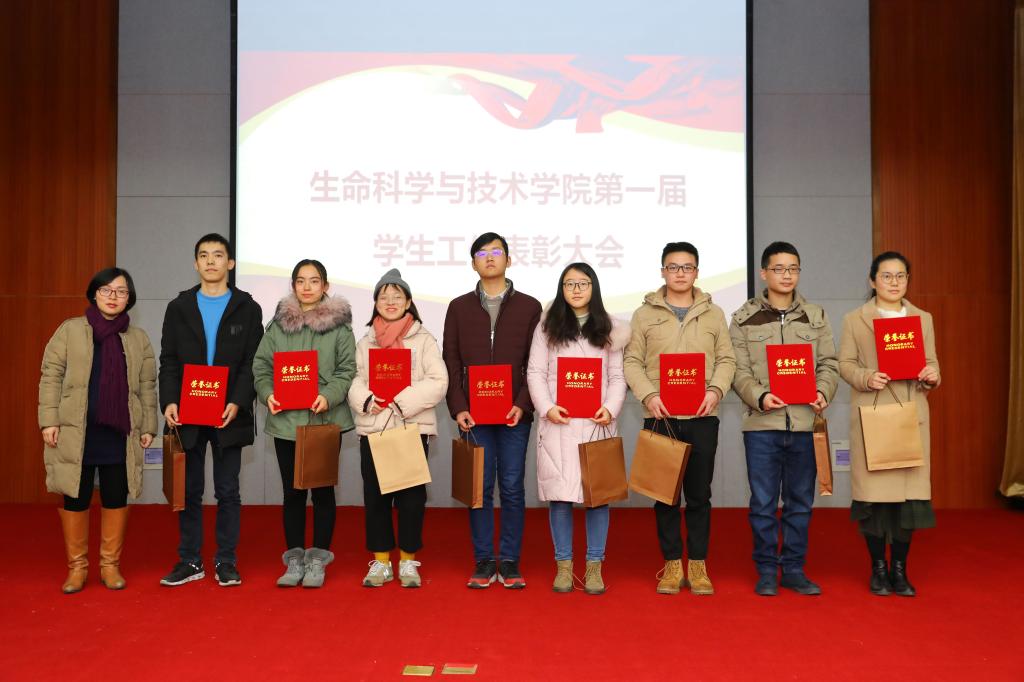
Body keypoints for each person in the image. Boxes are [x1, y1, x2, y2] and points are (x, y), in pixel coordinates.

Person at [623, 242, 736, 595]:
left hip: (703, 416)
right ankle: (672, 564)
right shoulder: (644, 314)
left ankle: (698, 565)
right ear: (663, 272)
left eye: (687, 267)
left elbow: (727, 359)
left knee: (699, 496)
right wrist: (649, 395)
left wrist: (715, 390)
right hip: (661, 417)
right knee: (665, 497)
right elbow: (631, 361)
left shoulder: (714, 313)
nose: (680, 273)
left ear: (697, 272)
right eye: (673, 267)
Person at [38, 268, 158, 593]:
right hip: (76, 431)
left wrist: (148, 425)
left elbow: (147, 386)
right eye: (106, 290)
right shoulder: (70, 330)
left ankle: (110, 566)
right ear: (94, 294)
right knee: (75, 498)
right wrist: (49, 420)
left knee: (116, 496)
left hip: (119, 433)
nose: (113, 296)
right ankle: (77, 568)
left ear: (129, 298)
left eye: (121, 291)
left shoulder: (138, 338)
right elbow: (50, 376)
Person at [730, 241, 839, 596]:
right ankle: (765, 570)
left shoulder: (815, 315)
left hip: (806, 424)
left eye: (793, 268)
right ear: (764, 273)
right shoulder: (743, 317)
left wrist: (823, 391)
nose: (787, 275)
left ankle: (793, 568)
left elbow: (829, 364)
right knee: (762, 504)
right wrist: (760, 397)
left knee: (800, 502)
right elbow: (738, 371)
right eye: (779, 269)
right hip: (762, 426)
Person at [158, 233, 264, 587]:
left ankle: (226, 560)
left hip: (228, 412)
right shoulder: (179, 307)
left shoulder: (248, 308)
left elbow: (252, 362)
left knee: (227, 490)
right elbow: (169, 360)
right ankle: (190, 560)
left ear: (230, 263)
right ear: (195, 263)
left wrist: (237, 401)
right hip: (187, 411)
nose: (210, 261)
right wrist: (169, 400)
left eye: (218, 255)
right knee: (188, 490)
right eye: (203, 255)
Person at [442, 232, 542, 589]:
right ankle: (484, 560)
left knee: (512, 487)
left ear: (508, 260)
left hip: (515, 413)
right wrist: (458, 407)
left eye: (496, 251)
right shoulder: (459, 307)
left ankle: (510, 560)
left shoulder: (530, 307)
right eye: (482, 253)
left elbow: (536, 362)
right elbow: (451, 361)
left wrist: (522, 404)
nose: (489, 257)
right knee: (479, 488)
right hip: (473, 416)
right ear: (473, 264)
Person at [838, 251, 939, 597]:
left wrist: (931, 375)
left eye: (901, 276)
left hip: (910, 417)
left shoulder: (922, 319)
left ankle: (900, 569)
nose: (894, 283)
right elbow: (845, 364)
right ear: (872, 280)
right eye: (886, 276)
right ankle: (878, 569)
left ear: (907, 280)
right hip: (873, 416)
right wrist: (866, 376)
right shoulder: (855, 319)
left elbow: (932, 363)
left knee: (908, 501)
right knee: (875, 501)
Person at [526, 262, 628, 595]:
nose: (576, 290)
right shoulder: (547, 326)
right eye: (569, 284)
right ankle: (564, 566)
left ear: (593, 287)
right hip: (560, 422)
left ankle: (595, 566)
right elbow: (535, 373)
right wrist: (547, 407)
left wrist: (610, 408)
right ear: (561, 289)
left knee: (598, 497)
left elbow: (617, 376)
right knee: (560, 497)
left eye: (583, 283)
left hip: (597, 423)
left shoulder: (611, 328)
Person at [252, 259, 355, 588]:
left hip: (324, 419)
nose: (307, 287)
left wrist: (328, 395)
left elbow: (347, 370)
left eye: (314, 281)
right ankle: (294, 559)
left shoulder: (339, 327)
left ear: (325, 286)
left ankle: (318, 559)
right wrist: (267, 394)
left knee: (322, 493)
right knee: (292, 493)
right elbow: (261, 366)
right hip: (286, 422)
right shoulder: (277, 325)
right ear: (293, 285)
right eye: (300, 281)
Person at [348, 269, 447, 588]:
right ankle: (380, 562)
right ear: (375, 303)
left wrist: (401, 400)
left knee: (411, 499)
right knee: (375, 498)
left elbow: (439, 380)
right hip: (375, 428)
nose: (390, 302)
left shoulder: (424, 339)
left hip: (410, 427)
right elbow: (354, 379)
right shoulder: (365, 341)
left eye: (397, 296)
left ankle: (407, 561)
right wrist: (367, 400)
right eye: (384, 297)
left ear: (408, 302)